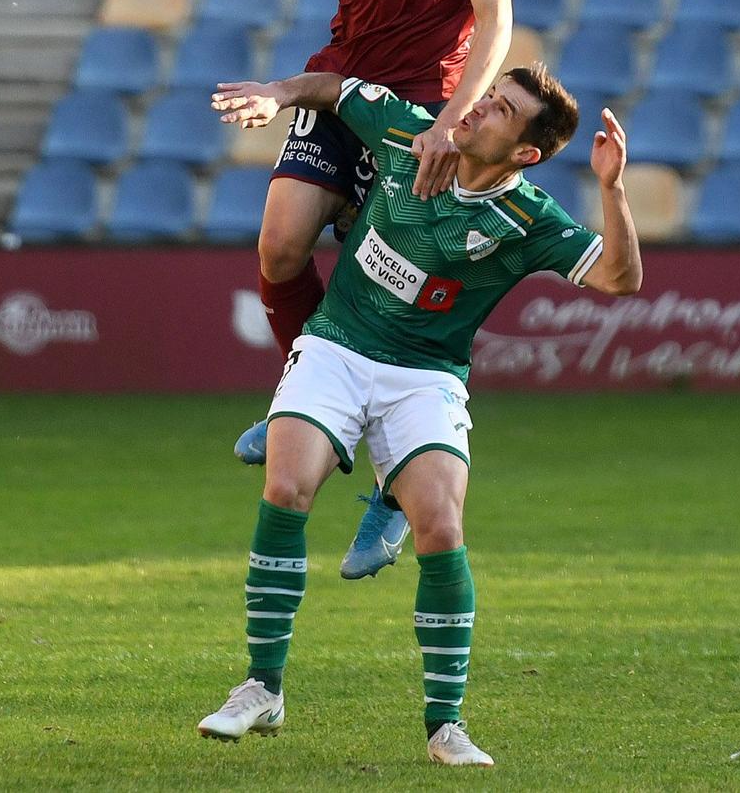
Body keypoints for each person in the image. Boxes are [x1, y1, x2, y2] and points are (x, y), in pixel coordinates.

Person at [151, 0, 519, 577]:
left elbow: (496, 26)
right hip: (339, 81)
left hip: (419, 106)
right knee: (280, 242)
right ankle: (300, 397)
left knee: (392, 303)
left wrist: (449, 124)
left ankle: (396, 491)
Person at [195, 65, 642, 766]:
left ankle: (445, 726)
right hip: (336, 345)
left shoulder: (528, 217)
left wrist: (612, 191)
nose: (479, 107)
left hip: (425, 377)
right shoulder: (411, 133)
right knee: (286, 487)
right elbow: (334, 88)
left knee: (442, 525)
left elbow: (620, 277)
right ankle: (261, 686)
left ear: (525, 152)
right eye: (489, 93)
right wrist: (276, 95)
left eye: (500, 110)